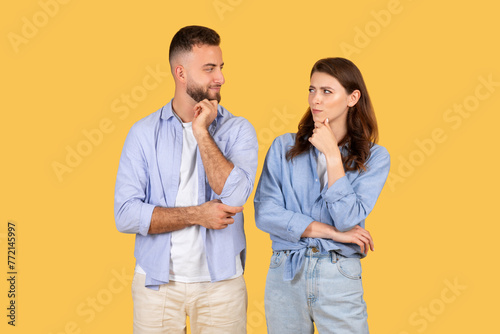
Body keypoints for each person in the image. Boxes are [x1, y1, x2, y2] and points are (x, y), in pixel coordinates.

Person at [114, 25, 258, 333]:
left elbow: (233, 197)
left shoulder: (238, 130)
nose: (220, 77)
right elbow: (125, 215)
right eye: (209, 69)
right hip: (156, 284)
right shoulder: (142, 133)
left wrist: (202, 132)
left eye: (220, 67)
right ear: (181, 73)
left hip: (221, 285)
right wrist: (198, 215)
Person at [254, 57, 390, 334]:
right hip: (286, 273)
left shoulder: (375, 157)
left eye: (327, 91)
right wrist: (332, 234)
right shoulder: (283, 147)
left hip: (338, 273)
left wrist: (331, 155)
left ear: (352, 98)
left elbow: (348, 218)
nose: (316, 99)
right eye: (312, 89)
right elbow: (265, 213)